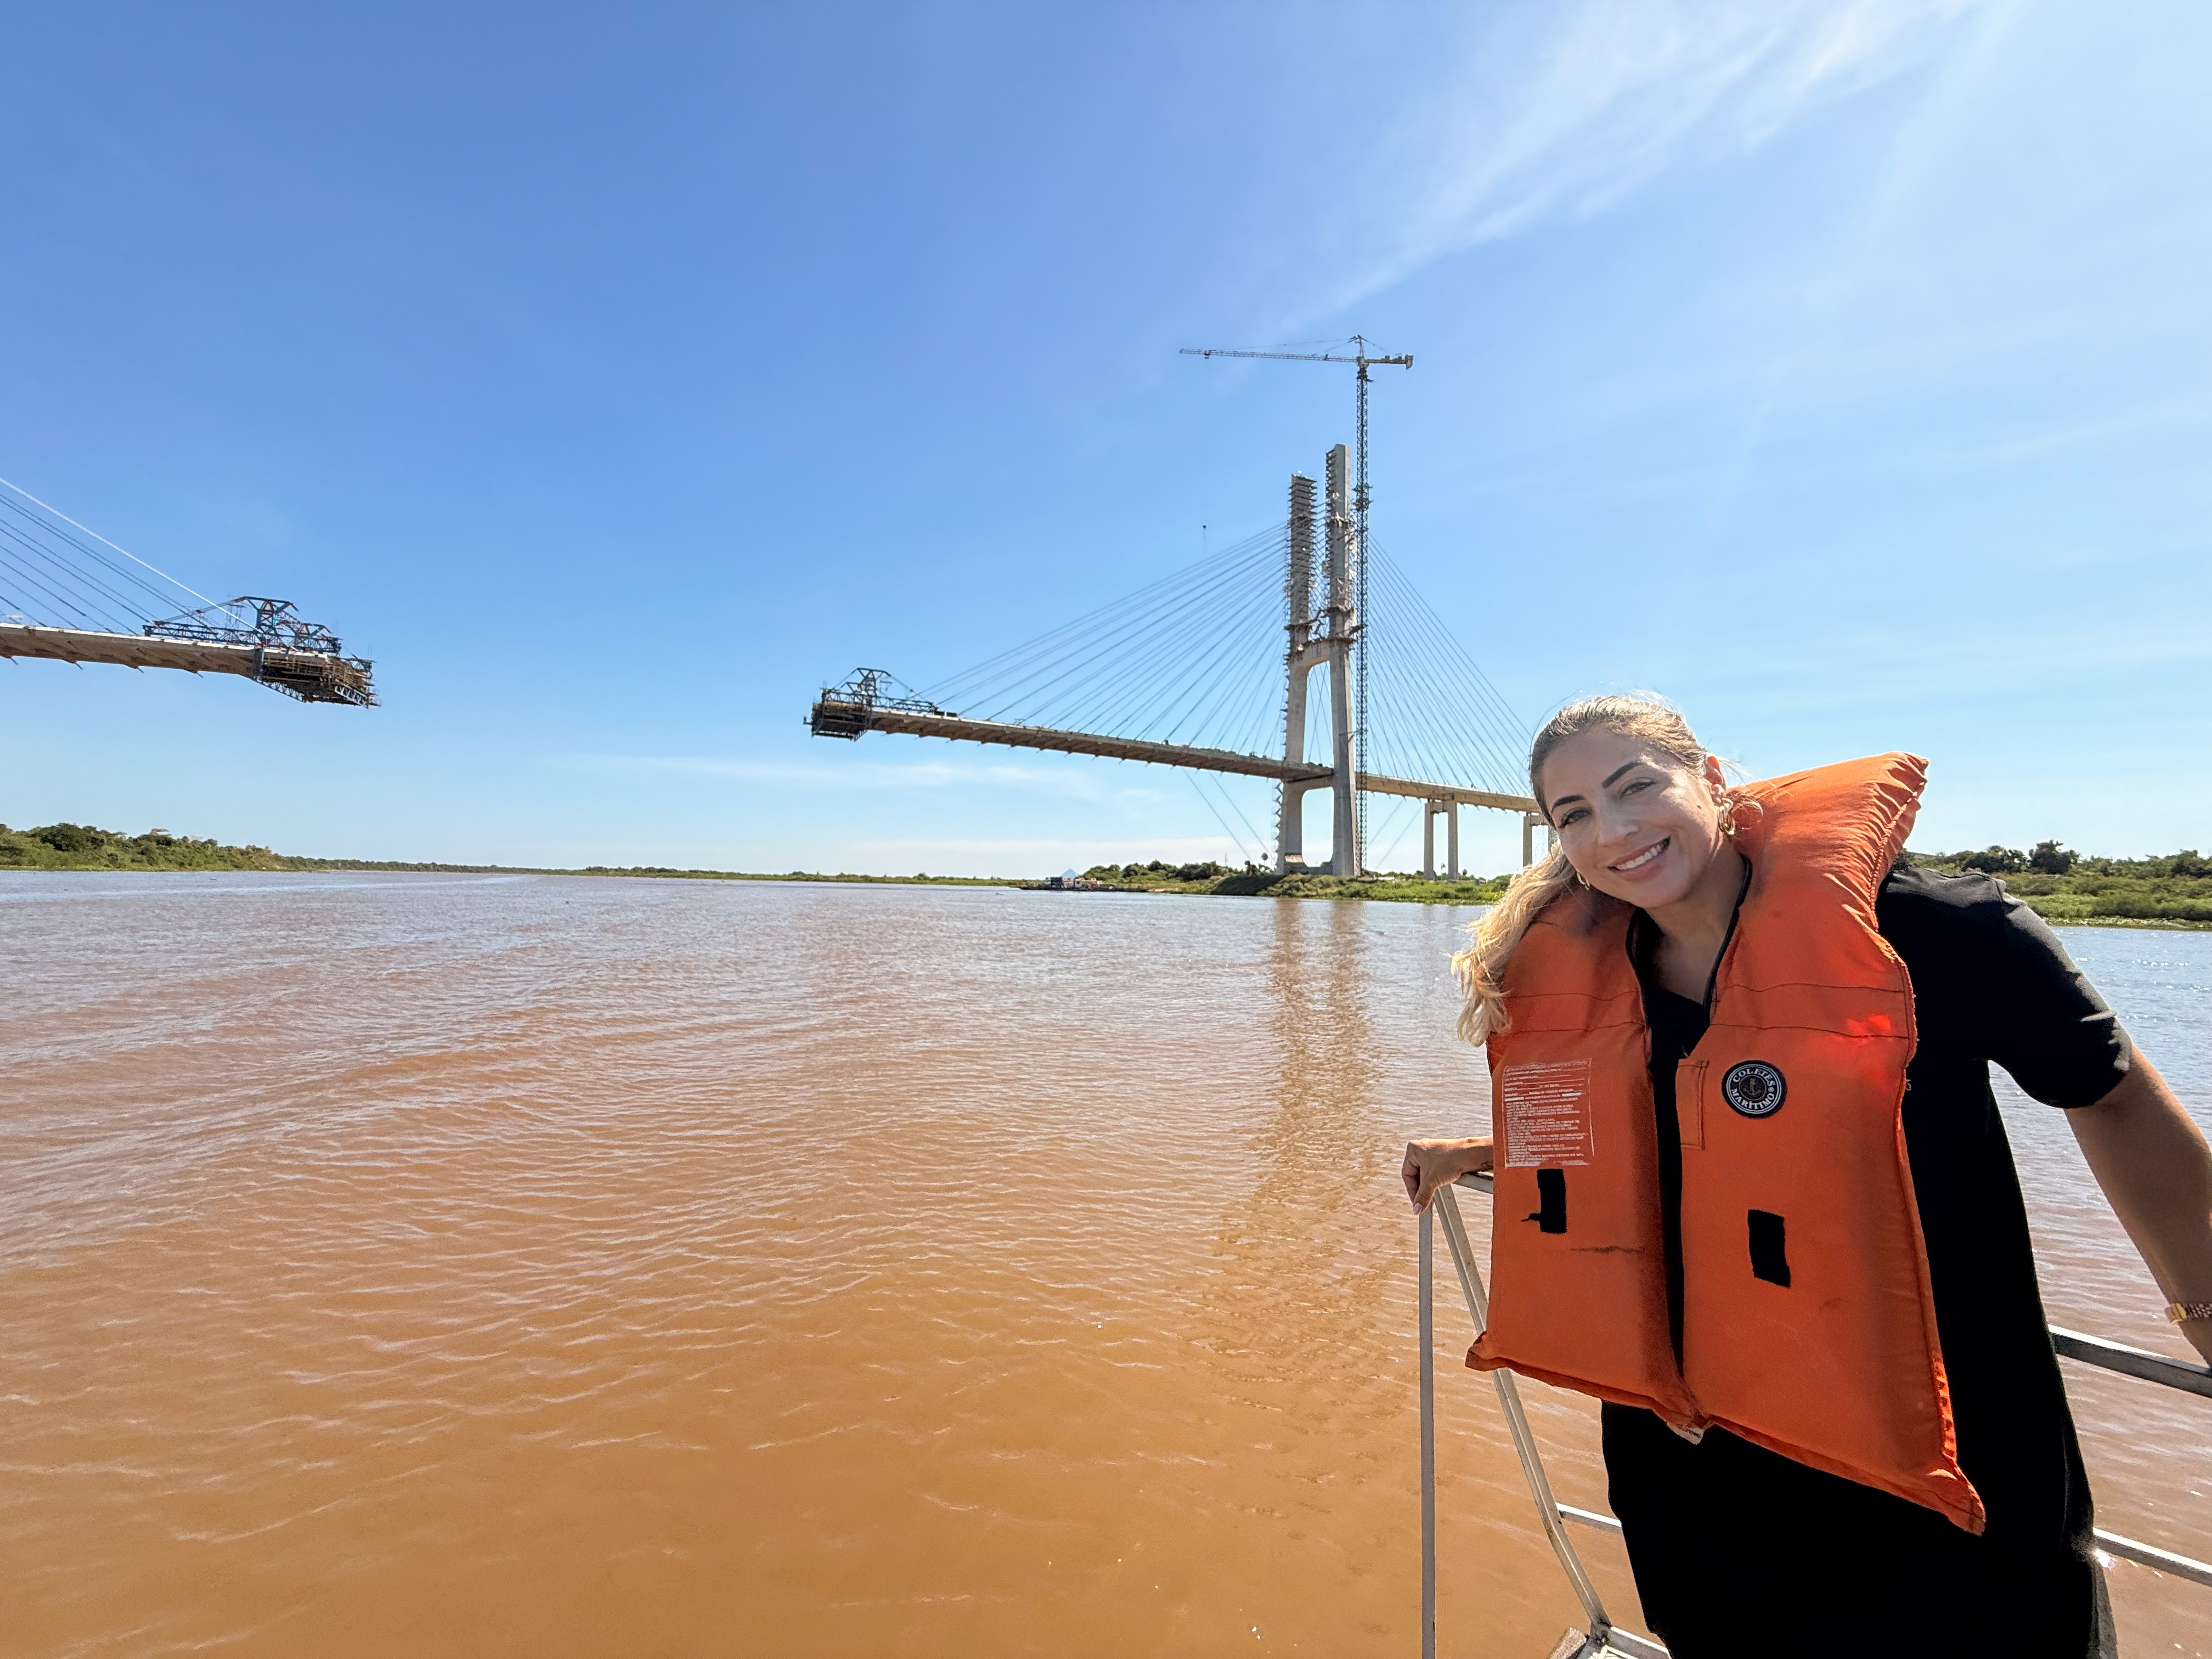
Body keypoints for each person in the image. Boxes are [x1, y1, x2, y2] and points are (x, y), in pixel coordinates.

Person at [1401, 695, 2212, 1658]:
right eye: (1573, 814)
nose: (1612, 832)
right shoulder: (1589, 982)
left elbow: (2111, 1095)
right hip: (1699, 1467)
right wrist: (1483, 1152)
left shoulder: (1940, 935)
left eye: (1635, 787)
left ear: (1709, 777)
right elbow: (1648, 1134)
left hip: (1944, 1440)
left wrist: (2202, 1312)